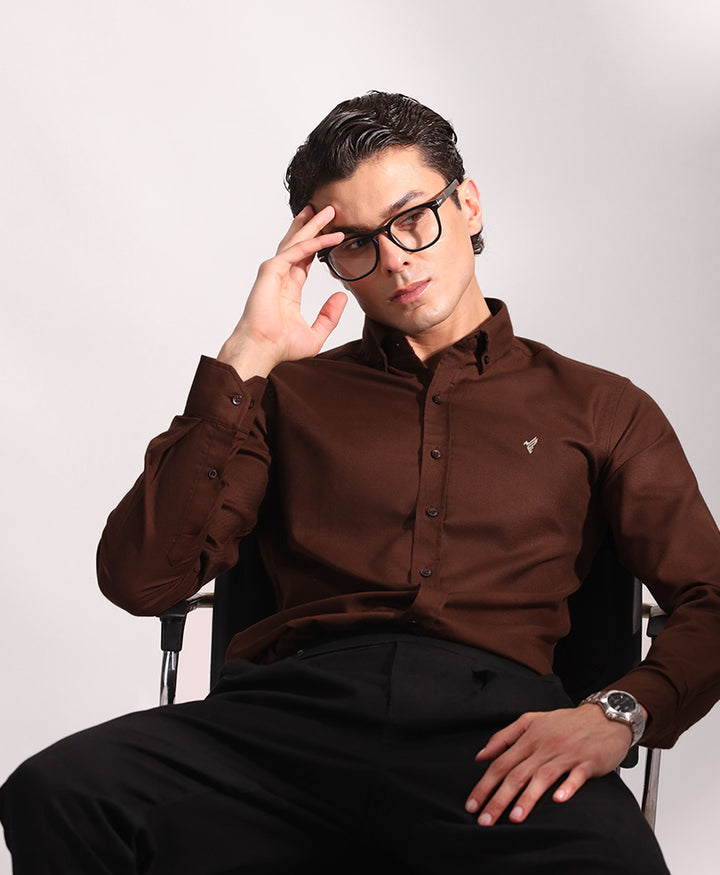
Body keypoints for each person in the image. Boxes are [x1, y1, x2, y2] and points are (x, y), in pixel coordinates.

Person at [2, 91, 719, 874]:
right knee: (61, 792)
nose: (396, 259)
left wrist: (620, 711)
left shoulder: (601, 406)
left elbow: (712, 596)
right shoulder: (284, 396)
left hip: (497, 739)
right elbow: (141, 579)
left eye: (413, 218)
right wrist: (247, 355)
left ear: (468, 205)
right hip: (286, 730)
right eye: (356, 245)